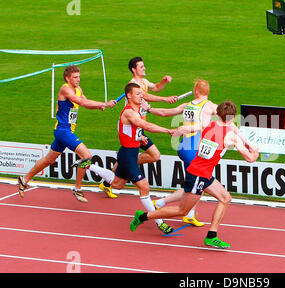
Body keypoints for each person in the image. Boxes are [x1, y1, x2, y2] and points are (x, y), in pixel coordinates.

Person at [130, 100, 259, 249]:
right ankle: (143, 216)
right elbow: (250, 159)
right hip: (199, 175)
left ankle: (212, 236)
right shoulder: (231, 136)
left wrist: (180, 130)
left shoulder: (209, 125)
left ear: (217, 114)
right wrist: (254, 151)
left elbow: (197, 127)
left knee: (225, 198)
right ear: (233, 117)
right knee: (182, 210)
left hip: (202, 172)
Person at [73, 83, 178, 234]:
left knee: (117, 184)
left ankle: (89, 165)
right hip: (128, 155)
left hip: (128, 152)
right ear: (129, 96)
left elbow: (134, 128)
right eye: (137, 94)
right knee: (144, 187)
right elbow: (145, 124)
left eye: (141, 93)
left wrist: (138, 137)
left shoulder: (137, 109)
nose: (141, 96)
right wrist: (167, 130)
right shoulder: (129, 112)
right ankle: (159, 222)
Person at [17, 65, 116, 202]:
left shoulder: (78, 89)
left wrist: (99, 106)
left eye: (79, 77)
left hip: (66, 132)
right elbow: (79, 101)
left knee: (49, 160)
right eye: (75, 77)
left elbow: (85, 102)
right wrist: (104, 103)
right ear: (67, 78)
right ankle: (78, 189)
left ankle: (24, 179)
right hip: (63, 131)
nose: (78, 79)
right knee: (86, 156)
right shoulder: (65, 89)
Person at [99, 56, 184, 199]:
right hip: (133, 126)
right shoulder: (133, 85)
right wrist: (166, 99)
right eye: (141, 66)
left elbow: (156, 88)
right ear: (134, 69)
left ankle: (111, 178)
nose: (144, 68)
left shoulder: (144, 81)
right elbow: (146, 96)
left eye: (144, 66)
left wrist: (164, 81)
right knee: (151, 155)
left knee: (153, 156)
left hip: (139, 128)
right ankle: (115, 173)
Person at [153, 78, 218, 227]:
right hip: (195, 148)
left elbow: (165, 112)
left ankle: (190, 214)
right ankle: (160, 203)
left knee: (194, 184)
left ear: (196, 91)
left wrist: (149, 109)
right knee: (197, 185)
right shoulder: (209, 106)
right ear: (207, 91)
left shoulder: (187, 105)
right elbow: (225, 114)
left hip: (184, 146)